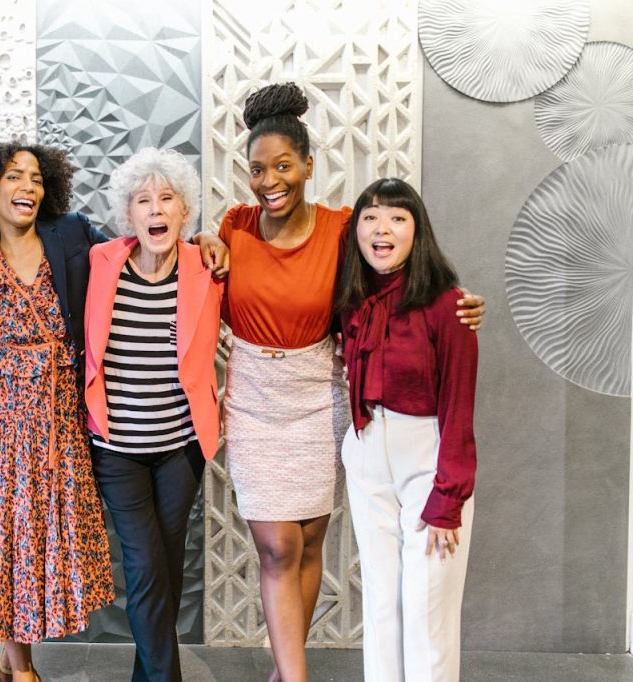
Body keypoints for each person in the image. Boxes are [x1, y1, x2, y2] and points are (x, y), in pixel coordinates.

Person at [202, 82, 485, 681]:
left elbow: (396, 273)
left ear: (308, 165)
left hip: (324, 393)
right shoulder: (235, 226)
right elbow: (201, 273)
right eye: (257, 169)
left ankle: (285, 668)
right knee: (277, 545)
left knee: (308, 543)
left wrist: (457, 304)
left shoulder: (341, 228)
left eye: (283, 165)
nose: (270, 179)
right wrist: (203, 241)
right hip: (255, 397)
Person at [0, 142, 116, 682]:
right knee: (6, 536)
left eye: (36, 178)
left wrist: (204, 242)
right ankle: (23, 669)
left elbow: (128, 256)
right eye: (14, 177)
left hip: (58, 413)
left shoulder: (69, 233)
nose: (27, 187)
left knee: (42, 536)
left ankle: (8, 656)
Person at [85, 148, 223, 682]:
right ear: (129, 215)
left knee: (165, 565)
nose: (155, 208)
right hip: (117, 448)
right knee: (144, 568)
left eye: (166, 197)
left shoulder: (207, 266)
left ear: (184, 211)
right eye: (143, 200)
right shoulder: (100, 263)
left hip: (181, 448)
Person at [336, 178, 477, 682]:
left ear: (418, 231)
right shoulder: (353, 299)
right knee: (381, 599)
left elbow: (459, 410)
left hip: (428, 458)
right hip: (367, 447)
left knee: (425, 606)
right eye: (371, 217)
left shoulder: (449, 306)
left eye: (397, 217)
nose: (382, 228)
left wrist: (450, 497)